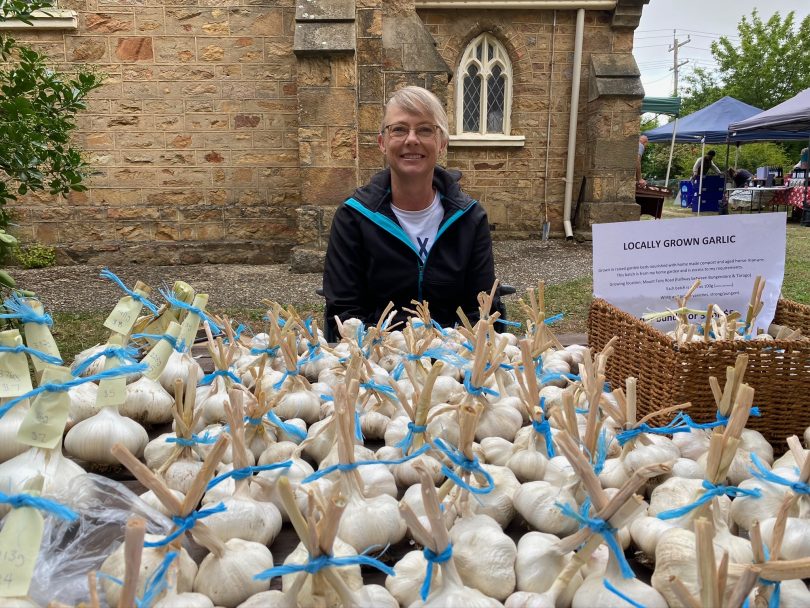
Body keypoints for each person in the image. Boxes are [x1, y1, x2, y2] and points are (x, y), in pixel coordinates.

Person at [322, 86, 499, 340]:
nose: (412, 139)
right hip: (377, 362)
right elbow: (345, 312)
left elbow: (481, 309)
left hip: (454, 362)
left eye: (425, 130)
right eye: (399, 129)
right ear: (382, 143)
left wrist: (450, 352)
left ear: (442, 143)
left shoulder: (470, 218)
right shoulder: (354, 218)